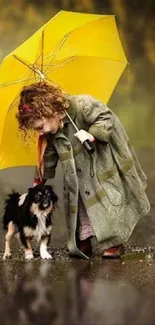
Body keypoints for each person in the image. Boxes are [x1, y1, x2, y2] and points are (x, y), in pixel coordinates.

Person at [16, 81, 150, 259]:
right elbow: (48, 157)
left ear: (48, 111)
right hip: (76, 179)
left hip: (97, 167)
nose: (40, 132)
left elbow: (106, 117)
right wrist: (37, 184)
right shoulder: (52, 133)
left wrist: (92, 134)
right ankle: (83, 240)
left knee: (105, 204)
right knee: (80, 210)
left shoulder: (83, 105)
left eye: (40, 127)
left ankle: (113, 242)